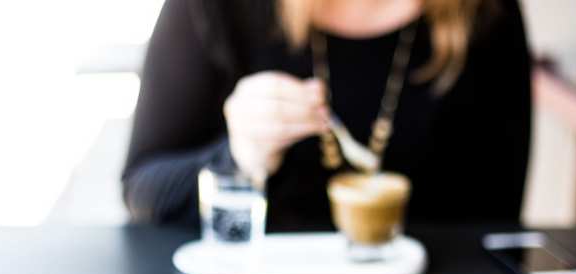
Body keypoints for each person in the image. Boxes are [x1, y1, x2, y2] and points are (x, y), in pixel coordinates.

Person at [122, 0, 531, 231]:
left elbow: (496, 220)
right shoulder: (219, 10)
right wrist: (240, 158)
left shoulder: (485, 15)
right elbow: (144, 189)